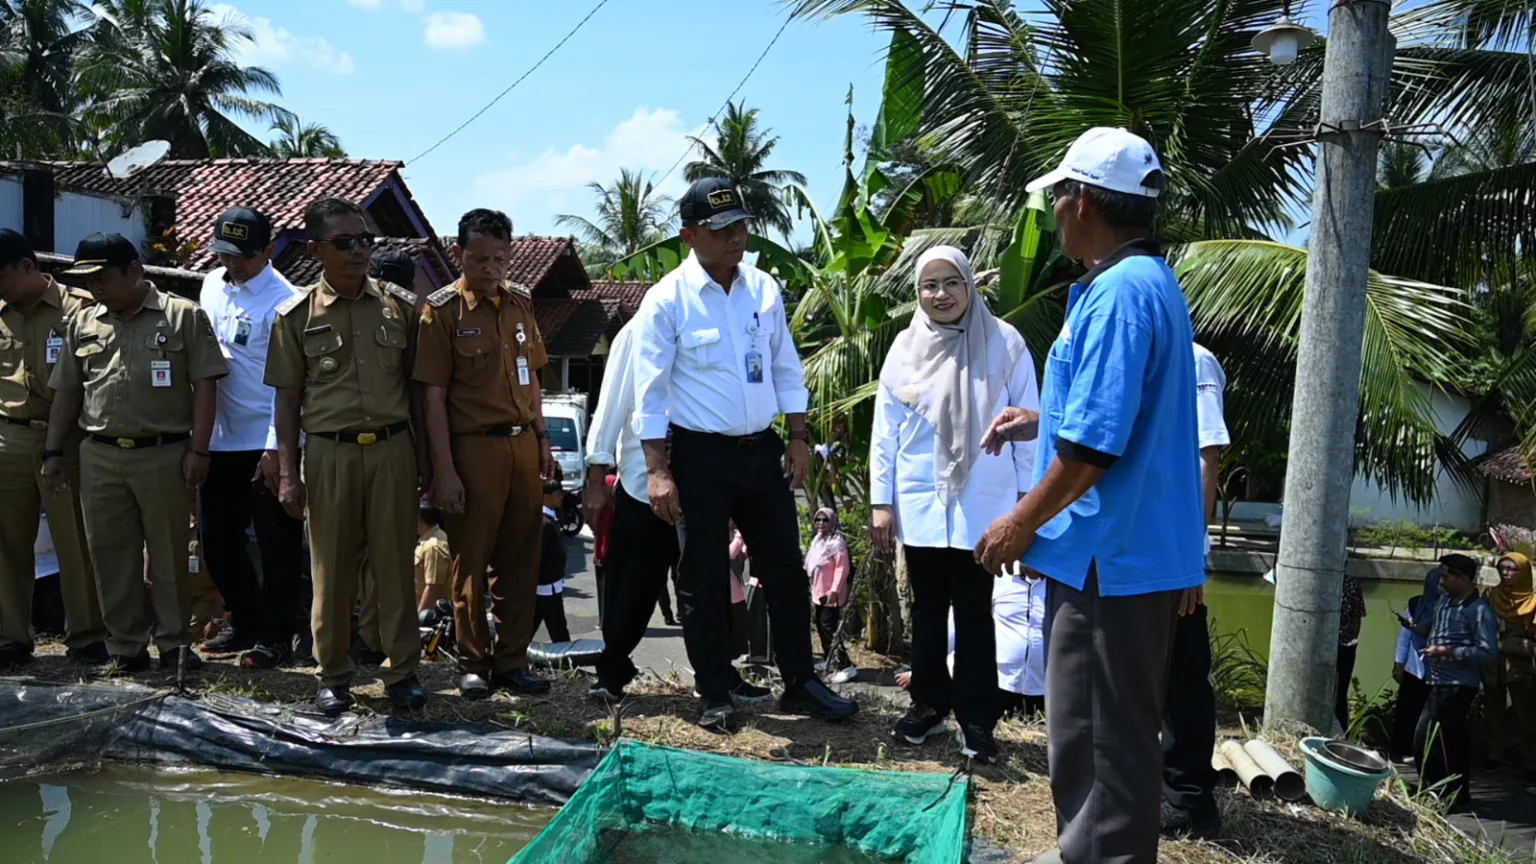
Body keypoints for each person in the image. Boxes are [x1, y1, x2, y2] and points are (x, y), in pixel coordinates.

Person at [974, 127, 1201, 864]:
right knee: (1112, 736)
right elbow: (1130, 414)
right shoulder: (1146, 282)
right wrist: (1042, 420)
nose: (1053, 216)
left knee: (1098, 739)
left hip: (1110, 557)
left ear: (1080, 201)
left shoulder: (1117, 296)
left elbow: (1094, 451)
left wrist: (1017, 523)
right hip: (1131, 552)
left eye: (1056, 201)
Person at [631, 177, 857, 729]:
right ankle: (714, 691)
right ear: (689, 235)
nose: (736, 238)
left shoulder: (763, 289)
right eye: (722, 229)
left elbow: (786, 367)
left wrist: (799, 436)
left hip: (763, 451)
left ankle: (801, 681)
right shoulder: (666, 301)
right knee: (703, 575)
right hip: (699, 456)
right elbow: (651, 392)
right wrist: (657, 472)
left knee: (783, 569)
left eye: (741, 226)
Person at [870, 244, 1039, 762]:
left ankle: (978, 718)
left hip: (983, 502)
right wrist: (882, 501)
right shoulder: (903, 347)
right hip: (921, 498)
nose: (940, 294)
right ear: (918, 292)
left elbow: (1032, 426)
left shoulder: (1005, 344)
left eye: (951, 283)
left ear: (970, 285)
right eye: (929, 285)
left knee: (974, 610)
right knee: (926, 610)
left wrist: (1025, 506)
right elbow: (886, 431)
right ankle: (927, 705)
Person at [265, 197, 425, 715]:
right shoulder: (294, 316)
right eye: (344, 243)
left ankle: (402, 673)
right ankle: (333, 674)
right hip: (329, 455)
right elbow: (286, 400)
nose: (359, 251)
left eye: (365, 241)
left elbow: (419, 390)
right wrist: (289, 471)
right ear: (315, 250)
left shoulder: (400, 305)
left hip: (393, 450)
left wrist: (426, 461)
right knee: (330, 572)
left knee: (396, 566)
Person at [44, 232, 227, 674]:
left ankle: (174, 645)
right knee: (110, 556)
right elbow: (67, 391)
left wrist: (199, 450)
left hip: (163, 452)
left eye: (104, 278)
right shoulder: (84, 322)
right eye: (88, 281)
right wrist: (53, 450)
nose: (96, 289)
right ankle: (125, 648)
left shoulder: (182, 316)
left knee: (167, 554)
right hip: (100, 454)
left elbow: (205, 384)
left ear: (135, 272)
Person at [414, 208, 557, 700]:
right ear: (459, 254)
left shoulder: (521, 304)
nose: (491, 268)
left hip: (522, 444)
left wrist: (542, 439)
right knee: (470, 562)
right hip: (471, 448)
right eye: (479, 258)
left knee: (522, 560)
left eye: (500, 258)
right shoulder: (442, 311)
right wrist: (443, 470)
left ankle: (513, 660)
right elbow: (431, 395)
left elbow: (533, 375)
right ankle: (474, 662)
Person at [197, 207, 308, 669]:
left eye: (243, 256)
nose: (233, 264)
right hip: (218, 435)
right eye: (224, 254)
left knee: (277, 542)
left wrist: (276, 448)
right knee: (217, 540)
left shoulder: (287, 300)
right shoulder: (210, 284)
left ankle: (278, 634)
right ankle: (245, 619)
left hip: (266, 437)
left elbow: (293, 384)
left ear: (268, 251)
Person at [0, 229, 106, 671]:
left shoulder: (79, 309)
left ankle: (87, 636)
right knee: (7, 544)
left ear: (28, 266)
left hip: (66, 442)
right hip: (9, 437)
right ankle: (11, 637)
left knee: (77, 541)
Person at [584, 318, 684, 702]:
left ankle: (718, 676)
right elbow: (611, 405)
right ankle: (612, 671)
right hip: (643, 485)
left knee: (706, 587)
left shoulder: (724, 319)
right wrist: (597, 476)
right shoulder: (640, 329)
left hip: (702, 481)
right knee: (632, 586)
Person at [1160, 342, 1230, 840]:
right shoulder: (1134, 353)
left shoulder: (1193, 359)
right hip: (1132, 545)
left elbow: (1209, 458)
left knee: (1183, 676)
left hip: (1173, 544)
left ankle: (1190, 799)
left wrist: (1190, 553)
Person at [1411, 552, 1498, 811]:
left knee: (1425, 736)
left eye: (1446, 576)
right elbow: (1436, 630)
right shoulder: (1444, 602)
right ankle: (1456, 794)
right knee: (1452, 739)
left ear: (1463, 578)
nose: (1441, 580)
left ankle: (1435, 791)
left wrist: (1449, 652)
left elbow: (1489, 651)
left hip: (1458, 684)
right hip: (1436, 680)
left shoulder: (1479, 610)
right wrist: (1418, 629)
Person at [1482, 552, 1535, 783]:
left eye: (1512, 569)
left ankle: (1530, 761)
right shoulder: (1490, 595)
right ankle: (1495, 754)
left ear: (1523, 572)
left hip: (1521, 664)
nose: (1506, 573)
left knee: (1528, 714)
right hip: (1492, 661)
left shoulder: (1533, 600)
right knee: (1493, 709)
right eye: (1502, 568)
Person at [807, 507, 853, 681]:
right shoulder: (818, 540)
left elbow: (842, 568)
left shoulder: (837, 543)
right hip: (818, 591)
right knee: (820, 625)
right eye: (818, 520)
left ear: (832, 522)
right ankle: (829, 659)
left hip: (830, 593)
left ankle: (845, 665)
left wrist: (835, 590)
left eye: (825, 520)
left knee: (830, 628)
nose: (820, 524)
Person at [1391, 592, 1430, 764]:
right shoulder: (1416, 604)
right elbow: (1404, 636)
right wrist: (1399, 662)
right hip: (1414, 668)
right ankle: (1401, 750)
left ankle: (1424, 752)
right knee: (1406, 712)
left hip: (1438, 671)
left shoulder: (1450, 607)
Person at [534, 473, 571, 644]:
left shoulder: (551, 518)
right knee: (558, 629)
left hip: (550, 585)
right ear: (547, 496)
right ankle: (567, 660)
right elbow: (537, 555)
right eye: (558, 493)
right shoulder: (544, 523)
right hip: (546, 585)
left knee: (534, 624)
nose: (561, 497)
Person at [1336, 575, 1367, 733]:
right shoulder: (1352, 584)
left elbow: (1357, 617)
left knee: (1339, 693)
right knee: (1340, 692)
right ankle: (1341, 731)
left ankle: (1341, 731)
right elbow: (1357, 618)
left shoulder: (1351, 585)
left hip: (1342, 646)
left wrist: (1352, 640)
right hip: (1344, 645)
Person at [414, 502, 451, 613]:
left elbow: (433, 587)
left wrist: (420, 618)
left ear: (420, 521)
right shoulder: (427, 540)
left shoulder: (433, 546)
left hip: (432, 616)